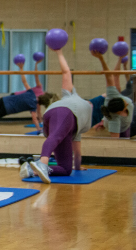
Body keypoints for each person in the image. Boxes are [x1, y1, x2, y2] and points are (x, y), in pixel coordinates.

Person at [24, 47, 91, 183]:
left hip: (58, 120)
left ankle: (32, 170)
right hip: (62, 113)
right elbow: (66, 72)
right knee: (56, 136)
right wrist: (59, 52)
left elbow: (77, 153)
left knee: (66, 169)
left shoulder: (80, 120)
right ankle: (42, 164)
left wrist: (77, 168)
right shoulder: (75, 99)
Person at [91, 53, 132, 137]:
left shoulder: (112, 95)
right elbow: (115, 142)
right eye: (125, 106)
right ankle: (103, 121)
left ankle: (102, 121)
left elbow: (110, 75)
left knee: (115, 86)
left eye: (124, 102)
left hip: (121, 122)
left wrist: (101, 58)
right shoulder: (115, 120)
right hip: (122, 128)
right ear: (119, 112)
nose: (127, 103)